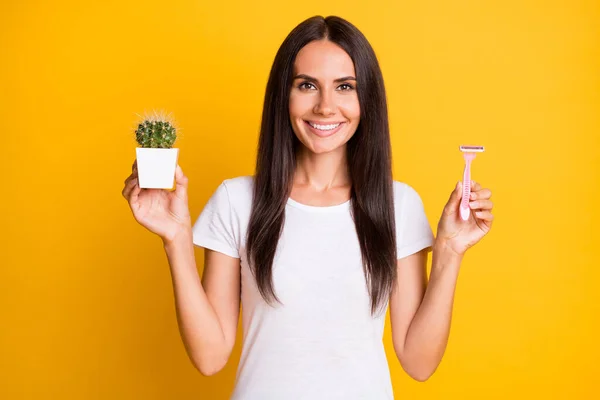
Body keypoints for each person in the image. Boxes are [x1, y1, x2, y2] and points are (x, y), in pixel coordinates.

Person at [122, 15, 494, 400]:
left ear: (366, 99)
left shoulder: (398, 205)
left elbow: (419, 362)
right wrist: (176, 239)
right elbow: (210, 356)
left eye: (344, 87)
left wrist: (449, 252)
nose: (325, 106)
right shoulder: (236, 201)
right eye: (307, 85)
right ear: (284, 95)